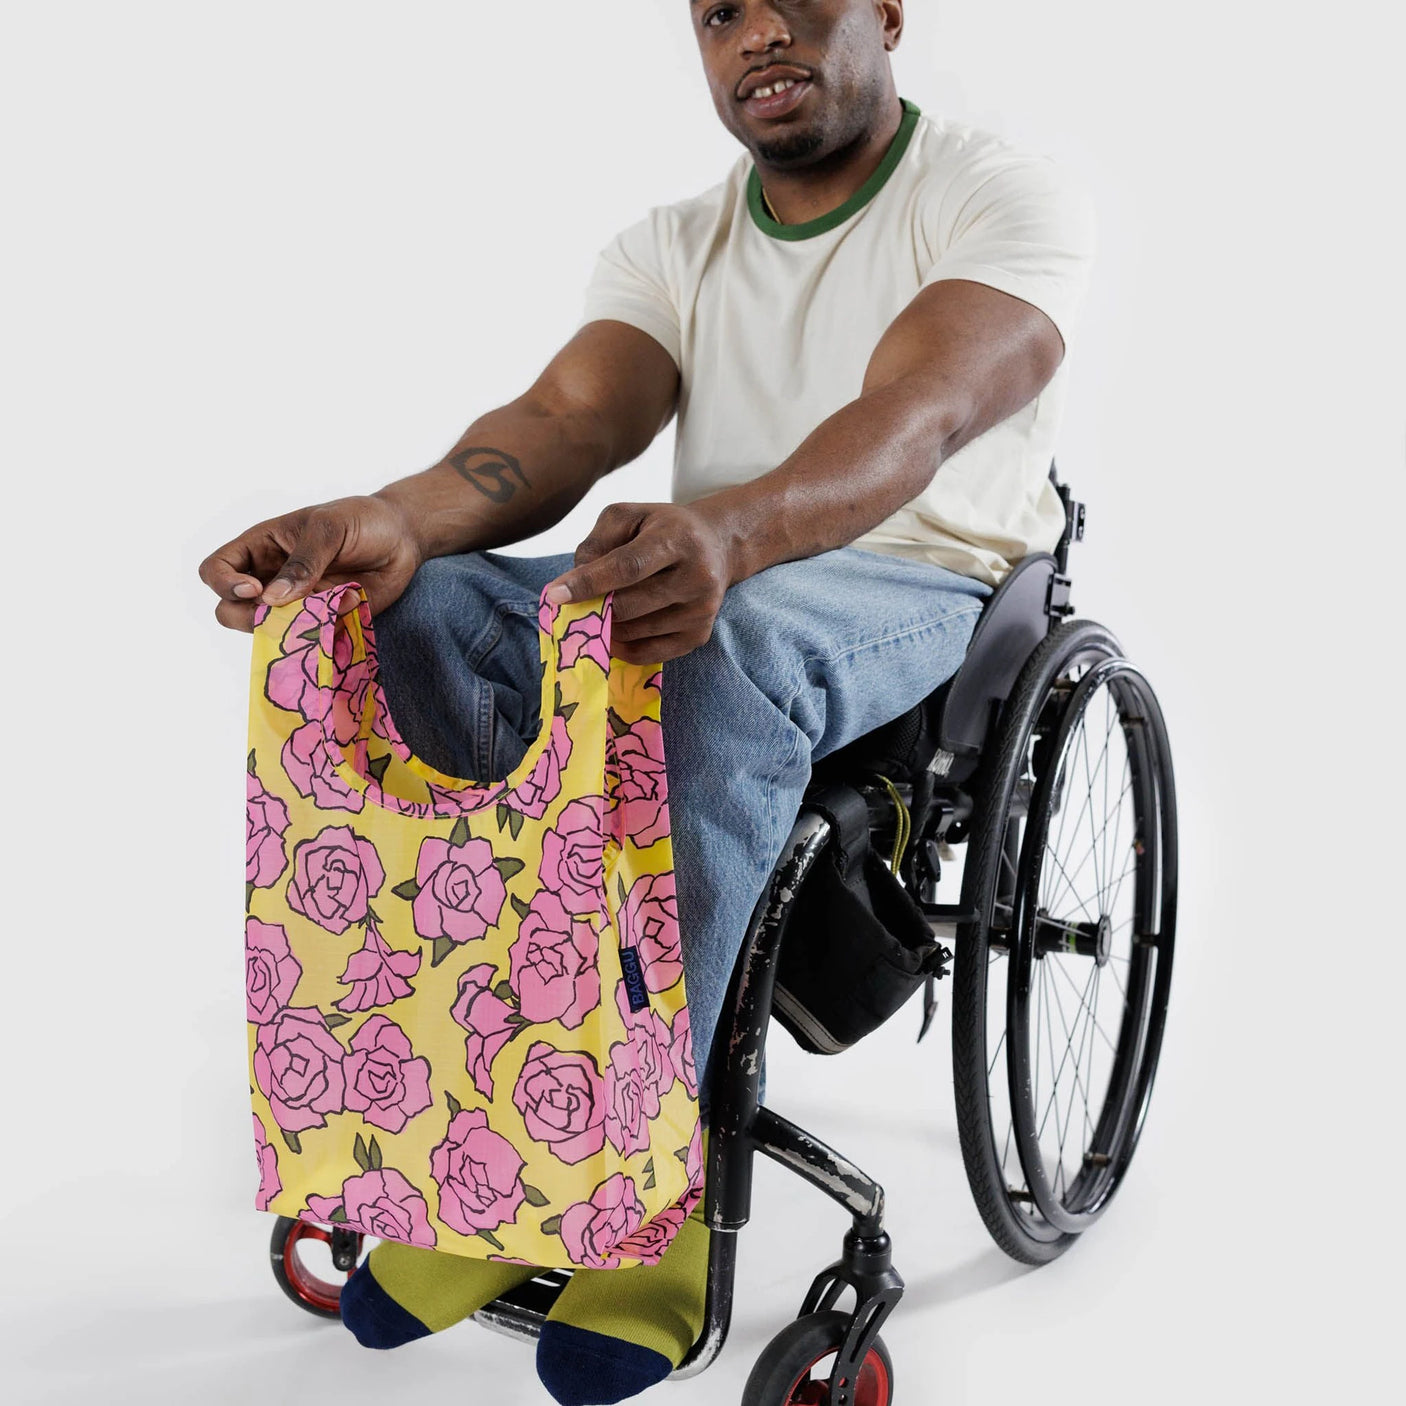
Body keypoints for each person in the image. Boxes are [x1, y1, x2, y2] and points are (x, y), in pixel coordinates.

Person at [200, 3, 1094, 1400]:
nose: (760, 31)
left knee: (702, 652)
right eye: (719, 10)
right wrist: (384, 516)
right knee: (404, 603)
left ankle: (643, 1192)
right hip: (705, 561)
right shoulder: (674, 245)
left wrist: (735, 536)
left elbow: (915, 414)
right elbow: (558, 427)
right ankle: (477, 1141)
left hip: (917, 576)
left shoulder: (987, 195)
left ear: (887, 14)